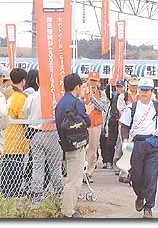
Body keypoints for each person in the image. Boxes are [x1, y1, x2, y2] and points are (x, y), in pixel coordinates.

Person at [119, 78, 158, 218]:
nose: (144, 93)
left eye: (147, 90)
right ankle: (140, 195)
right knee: (136, 176)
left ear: (151, 91)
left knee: (151, 176)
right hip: (136, 144)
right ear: (138, 91)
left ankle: (148, 207)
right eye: (142, 90)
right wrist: (125, 141)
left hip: (153, 144)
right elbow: (124, 126)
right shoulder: (131, 107)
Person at [23, 73, 63, 202]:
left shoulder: (32, 97)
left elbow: (26, 112)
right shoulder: (56, 97)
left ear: (37, 81)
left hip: (36, 133)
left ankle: (36, 194)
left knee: (37, 165)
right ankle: (59, 193)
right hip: (53, 133)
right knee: (55, 167)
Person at [55, 73, 91, 218]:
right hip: (77, 145)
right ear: (77, 87)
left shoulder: (61, 103)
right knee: (74, 180)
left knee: (70, 177)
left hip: (65, 144)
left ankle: (66, 208)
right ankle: (68, 212)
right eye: (81, 86)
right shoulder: (77, 103)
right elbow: (87, 122)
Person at [0, 68, 30, 197]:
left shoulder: (8, 94)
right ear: (23, 81)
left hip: (7, 136)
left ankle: (6, 192)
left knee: (7, 166)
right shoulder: (21, 98)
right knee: (15, 167)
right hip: (17, 138)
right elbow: (23, 118)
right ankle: (13, 193)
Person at [115, 76, 139, 183]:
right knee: (126, 148)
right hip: (125, 125)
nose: (134, 87)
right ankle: (124, 172)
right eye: (132, 85)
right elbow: (121, 110)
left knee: (136, 149)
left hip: (138, 126)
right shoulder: (122, 96)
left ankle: (133, 172)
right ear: (128, 84)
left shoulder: (141, 96)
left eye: (136, 85)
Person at [84, 72, 107, 182]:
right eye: (91, 80)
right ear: (88, 80)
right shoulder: (82, 90)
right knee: (82, 149)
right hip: (82, 125)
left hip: (95, 125)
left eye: (95, 80)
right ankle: (81, 171)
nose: (93, 82)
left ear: (98, 82)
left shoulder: (101, 93)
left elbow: (102, 106)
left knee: (93, 149)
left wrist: (92, 97)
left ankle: (89, 173)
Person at [103, 80, 125, 169]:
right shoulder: (114, 95)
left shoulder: (126, 96)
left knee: (122, 143)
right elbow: (108, 92)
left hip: (124, 122)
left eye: (121, 86)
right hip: (114, 119)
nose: (119, 88)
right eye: (118, 86)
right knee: (111, 141)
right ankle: (109, 160)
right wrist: (110, 82)